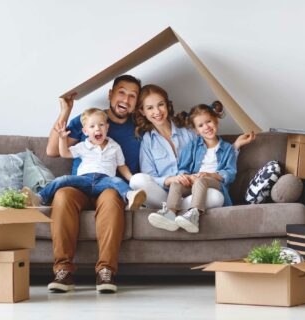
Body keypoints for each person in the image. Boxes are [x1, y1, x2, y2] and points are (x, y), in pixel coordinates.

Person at [45, 74, 142, 294]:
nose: (126, 99)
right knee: (62, 195)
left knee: (111, 197)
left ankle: (105, 271)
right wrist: (65, 111)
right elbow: (53, 151)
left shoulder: (139, 127)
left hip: (108, 186)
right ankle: (63, 271)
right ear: (110, 94)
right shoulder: (89, 119)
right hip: (80, 186)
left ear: (136, 102)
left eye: (132, 96)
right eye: (121, 92)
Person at [130, 84, 255, 231]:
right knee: (136, 180)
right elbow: (149, 176)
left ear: (167, 105)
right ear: (142, 111)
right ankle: (176, 209)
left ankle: (174, 211)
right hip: (164, 192)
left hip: (194, 187)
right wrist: (172, 179)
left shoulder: (188, 131)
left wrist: (235, 146)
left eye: (161, 105)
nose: (157, 111)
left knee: (216, 197)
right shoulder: (147, 141)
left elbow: (213, 147)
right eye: (150, 108)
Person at [24, 108, 146, 210]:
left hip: (104, 181)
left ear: (107, 128)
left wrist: (132, 178)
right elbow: (65, 153)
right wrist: (62, 139)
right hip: (84, 180)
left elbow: (121, 166)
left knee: (117, 181)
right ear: (85, 131)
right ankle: (39, 197)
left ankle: (131, 196)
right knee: (63, 179)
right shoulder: (83, 146)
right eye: (92, 126)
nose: (97, 129)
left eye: (101, 125)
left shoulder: (114, 146)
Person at [154, 103, 237, 234]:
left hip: (215, 182)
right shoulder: (192, 146)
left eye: (209, 121)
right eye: (201, 125)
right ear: (196, 131)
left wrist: (211, 175)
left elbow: (230, 173)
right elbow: (183, 167)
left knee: (201, 180)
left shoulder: (227, 148)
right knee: (177, 182)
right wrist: (187, 176)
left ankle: (193, 215)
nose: (206, 127)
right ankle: (170, 214)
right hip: (196, 180)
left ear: (216, 121)